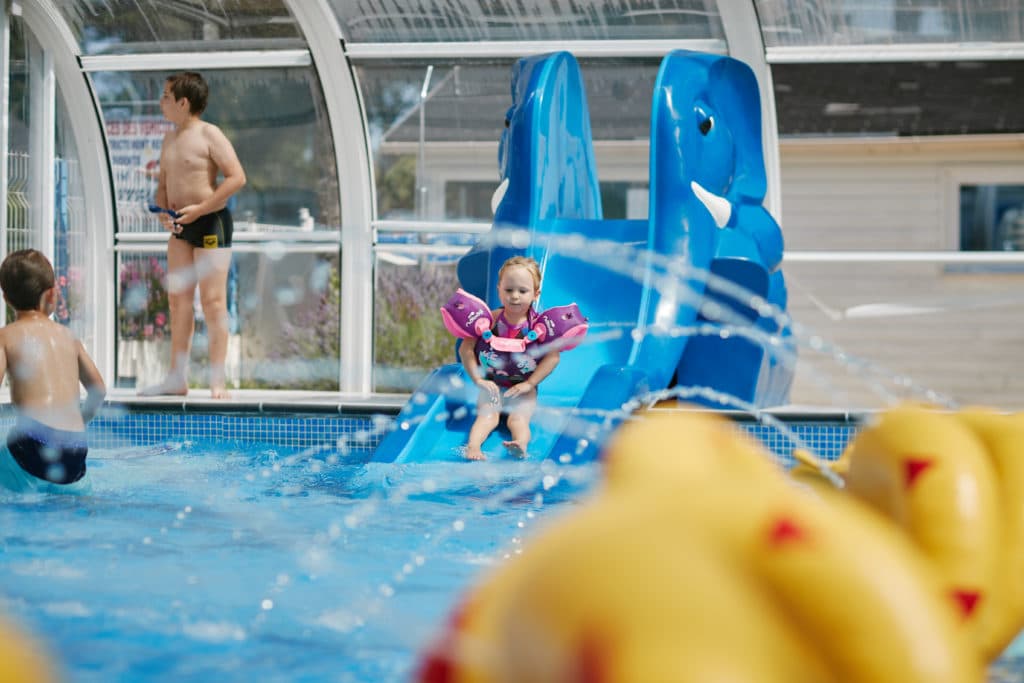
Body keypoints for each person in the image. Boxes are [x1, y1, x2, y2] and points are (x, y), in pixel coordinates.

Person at [139, 71, 246, 399]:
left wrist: (199, 209)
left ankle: (217, 380)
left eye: (167, 97)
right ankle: (176, 378)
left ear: (184, 103)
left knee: (213, 302)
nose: (162, 102)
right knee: (177, 301)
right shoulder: (169, 139)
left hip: (211, 221)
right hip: (180, 226)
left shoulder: (209, 134)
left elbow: (236, 178)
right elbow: (162, 186)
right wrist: (162, 213)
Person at [0, 249, 106, 491]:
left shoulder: (6, 336)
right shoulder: (68, 337)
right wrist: (80, 420)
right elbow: (98, 389)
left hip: (34, 445)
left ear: (5, 298)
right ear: (51, 295)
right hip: (76, 450)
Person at [458, 256, 560, 460]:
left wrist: (530, 384)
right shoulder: (488, 320)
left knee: (518, 419)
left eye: (523, 291)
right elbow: (466, 349)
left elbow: (553, 357)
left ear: (535, 294)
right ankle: (473, 447)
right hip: (492, 385)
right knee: (487, 416)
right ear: (499, 290)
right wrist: (478, 380)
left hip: (521, 388)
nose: (515, 296)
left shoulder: (539, 327)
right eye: (509, 290)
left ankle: (520, 444)